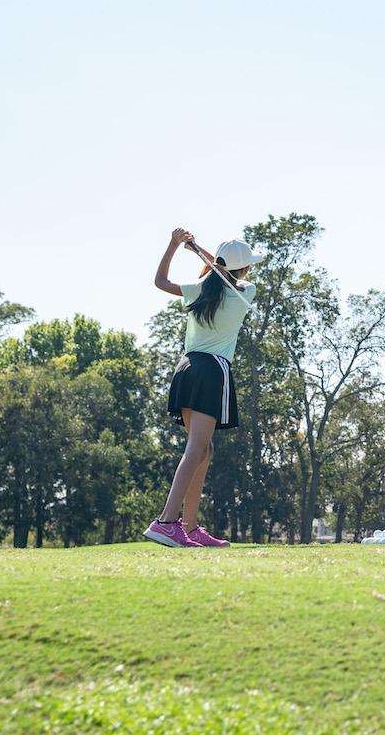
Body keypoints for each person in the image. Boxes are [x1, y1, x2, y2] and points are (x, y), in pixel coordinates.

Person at [144, 228, 266, 549]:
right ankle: (166, 522)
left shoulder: (199, 289)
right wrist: (199, 251)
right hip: (213, 370)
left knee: (204, 450)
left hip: (187, 368)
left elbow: (161, 281)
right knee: (197, 448)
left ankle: (189, 527)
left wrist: (175, 246)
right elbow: (222, 271)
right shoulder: (246, 292)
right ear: (243, 270)